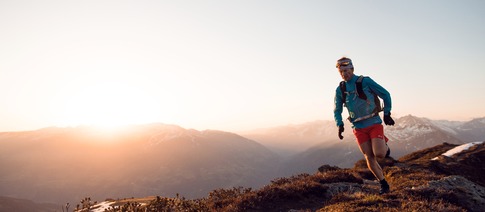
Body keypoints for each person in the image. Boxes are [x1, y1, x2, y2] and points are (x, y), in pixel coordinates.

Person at [333, 57, 395, 194]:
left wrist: (387, 113)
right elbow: (337, 109)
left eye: (346, 70)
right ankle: (383, 183)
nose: (344, 74)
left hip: (373, 123)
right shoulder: (340, 89)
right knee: (369, 156)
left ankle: (384, 144)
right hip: (358, 127)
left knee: (379, 154)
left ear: (352, 69)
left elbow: (385, 94)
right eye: (341, 71)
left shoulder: (365, 81)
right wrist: (340, 124)